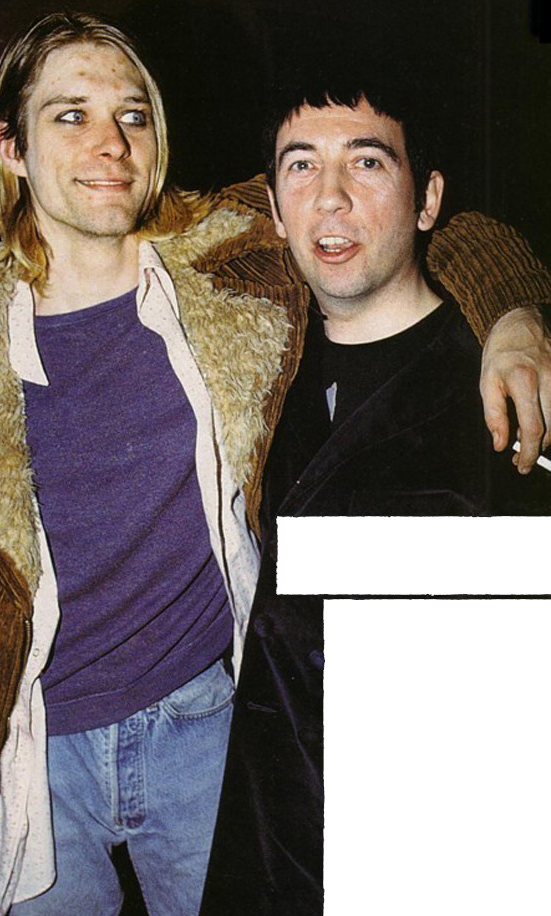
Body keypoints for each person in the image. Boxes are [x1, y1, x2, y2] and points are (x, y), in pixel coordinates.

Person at [0, 10, 550, 916]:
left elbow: (429, 222)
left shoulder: (229, 254)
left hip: (205, 720)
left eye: (132, 114)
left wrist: (517, 317)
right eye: (70, 115)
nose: (110, 144)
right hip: (37, 755)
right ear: (10, 146)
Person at [199, 72, 551, 916]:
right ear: (271, 207)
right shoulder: (260, 371)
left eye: (367, 162)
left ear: (428, 200)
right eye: (301, 166)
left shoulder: (505, 403)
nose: (330, 198)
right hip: (272, 849)